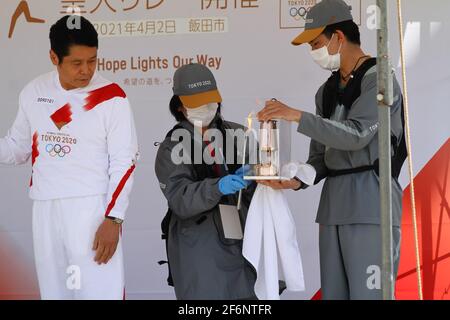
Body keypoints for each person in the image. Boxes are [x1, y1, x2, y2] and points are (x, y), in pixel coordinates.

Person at [257, 0, 405, 299]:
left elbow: (357, 135)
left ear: (338, 36)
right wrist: (297, 179)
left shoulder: (379, 77)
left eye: (316, 43)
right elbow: (320, 158)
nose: (314, 52)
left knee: (369, 295)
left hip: (370, 204)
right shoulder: (325, 91)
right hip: (332, 208)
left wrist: (297, 116)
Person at [0, 15, 138, 299]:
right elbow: (17, 147)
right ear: (54, 57)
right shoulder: (34, 92)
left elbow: (125, 162)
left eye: (92, 60)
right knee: (56, 292)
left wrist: (114, 219)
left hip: (91, 210)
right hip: (46, 206)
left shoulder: (111, 97)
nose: (86, 70)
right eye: (77, 63)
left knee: (100, 292)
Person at [155, 63, 257, 299]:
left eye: (210, 100)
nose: (206, 107)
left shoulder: (240, 134)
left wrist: (257, 178)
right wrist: (218, 186)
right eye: (196, 103)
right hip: (200, 244)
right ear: (180, 106)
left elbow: (265, 181)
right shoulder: (173, 146)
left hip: (244, 239)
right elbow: (179, 198)